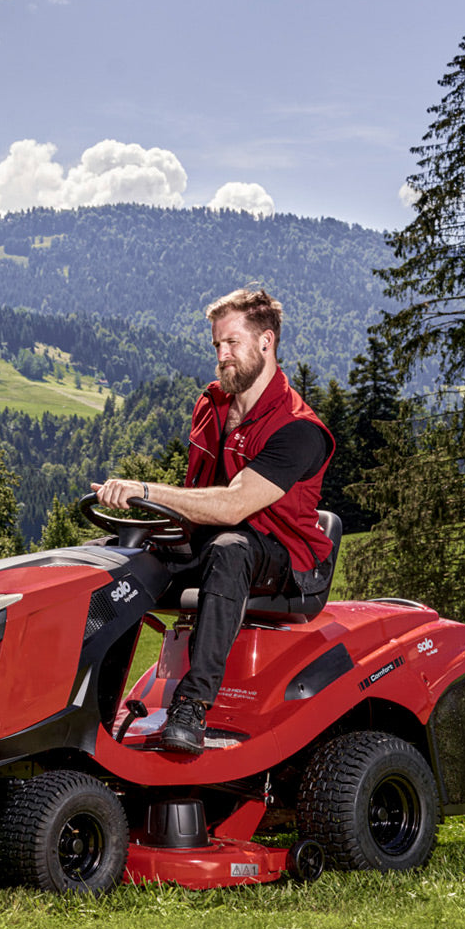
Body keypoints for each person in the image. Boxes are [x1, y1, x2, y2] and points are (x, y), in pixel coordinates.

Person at [92, 288, 334, 754]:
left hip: (285, 556)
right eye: (217, 345)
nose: (222, 355)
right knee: (114, 557)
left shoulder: (298, 428)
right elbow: (201, 498)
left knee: (230, 550)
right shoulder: (213, 405)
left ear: (266, 341)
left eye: (232, 343)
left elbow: (233, 507)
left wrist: (144, 491)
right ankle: (95, 706)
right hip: (214, 536)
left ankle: (192, 707)